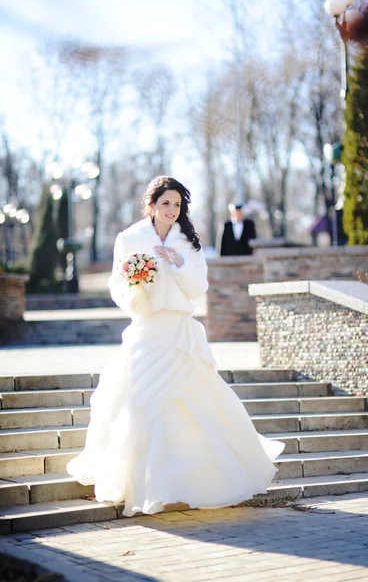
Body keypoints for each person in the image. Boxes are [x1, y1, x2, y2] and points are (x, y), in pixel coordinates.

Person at [67, 176, 283, 516]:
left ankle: (199, 482)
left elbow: (199, 288)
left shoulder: (188, 243)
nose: (171, 210)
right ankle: (147, 482)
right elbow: (116, 284)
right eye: (165, 203)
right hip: (147, 329)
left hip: (181, 333)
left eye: (177, 205)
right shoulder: (130, 238)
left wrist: (178, 262)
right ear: (151, 205)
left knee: (199, 403)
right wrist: (138, 286)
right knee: (140, 404)